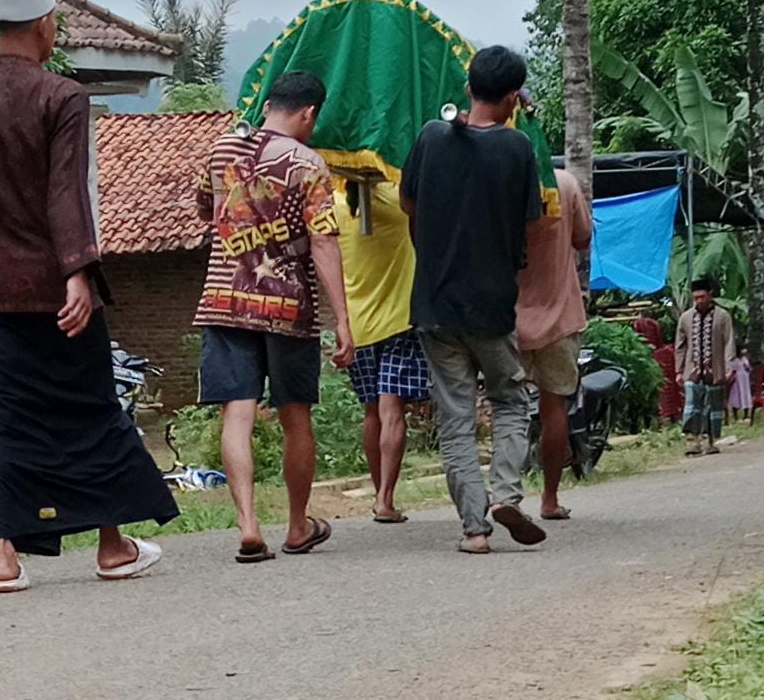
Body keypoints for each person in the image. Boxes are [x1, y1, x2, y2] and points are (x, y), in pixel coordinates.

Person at [0, 0, 179, 593]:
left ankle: (5, 560)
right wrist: (75, 273)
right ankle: (112, 545)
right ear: (46, 26)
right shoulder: (62, 96)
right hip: (57, 291)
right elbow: (65, 194)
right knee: (88, 411)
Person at [194, 71, 355, 563]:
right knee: (294, 415)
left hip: (224, 300)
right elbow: (324, 240)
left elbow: (207, 209)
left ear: (268, 105)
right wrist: (343, 320)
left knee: (236, 413)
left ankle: (247, 525)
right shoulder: (309, 165)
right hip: (289, 307)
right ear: (308, 113)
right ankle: (296, 525)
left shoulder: (222, 150)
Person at [401, 45, 548, 555]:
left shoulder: (431, 136)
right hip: (492, 303)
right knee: (510, 401)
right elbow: (530, 221)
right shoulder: (517, 149)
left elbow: (408, 202)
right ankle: (507, 492)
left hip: (435, 304)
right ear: (512, 98)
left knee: (456, 417)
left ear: (468, 88)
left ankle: (474, 530)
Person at [335, 180, 429, 524]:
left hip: (357, 325)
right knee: (392, 411)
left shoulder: (335, 204)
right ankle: (385, 498)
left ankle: (379, 493)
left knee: (372, 412)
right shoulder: (400, 199)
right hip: (400, 318)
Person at [515, 166, 592, 521]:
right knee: (554, 407)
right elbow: (583, 237)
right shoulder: (564, 182)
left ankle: (506, 496)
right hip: (559, 315)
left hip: (505, 318)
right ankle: (549, 498)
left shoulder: (497, 175)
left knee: (507, 409)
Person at [674, 278, 737, 456]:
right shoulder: (686, 318)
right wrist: (678, 370)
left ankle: (711, 442)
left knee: (713, 406)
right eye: (696, 298)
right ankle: (693, 442)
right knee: (692, 407)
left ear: (710, 294)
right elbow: (680, 345)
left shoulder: (723, 316)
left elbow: (729, 342)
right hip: (691, 371)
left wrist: (728, 367)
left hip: (715, 370)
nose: (699, 301)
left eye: (702, 297)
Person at [726, 344, 753, 425]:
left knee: (746, 396)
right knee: (736, 397)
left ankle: (746, 415)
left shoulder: (744, 359)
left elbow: (749, 368)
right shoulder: (733, 360)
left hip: (745, 381)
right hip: (737, 381)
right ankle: (736, 416)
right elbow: (731, 370)